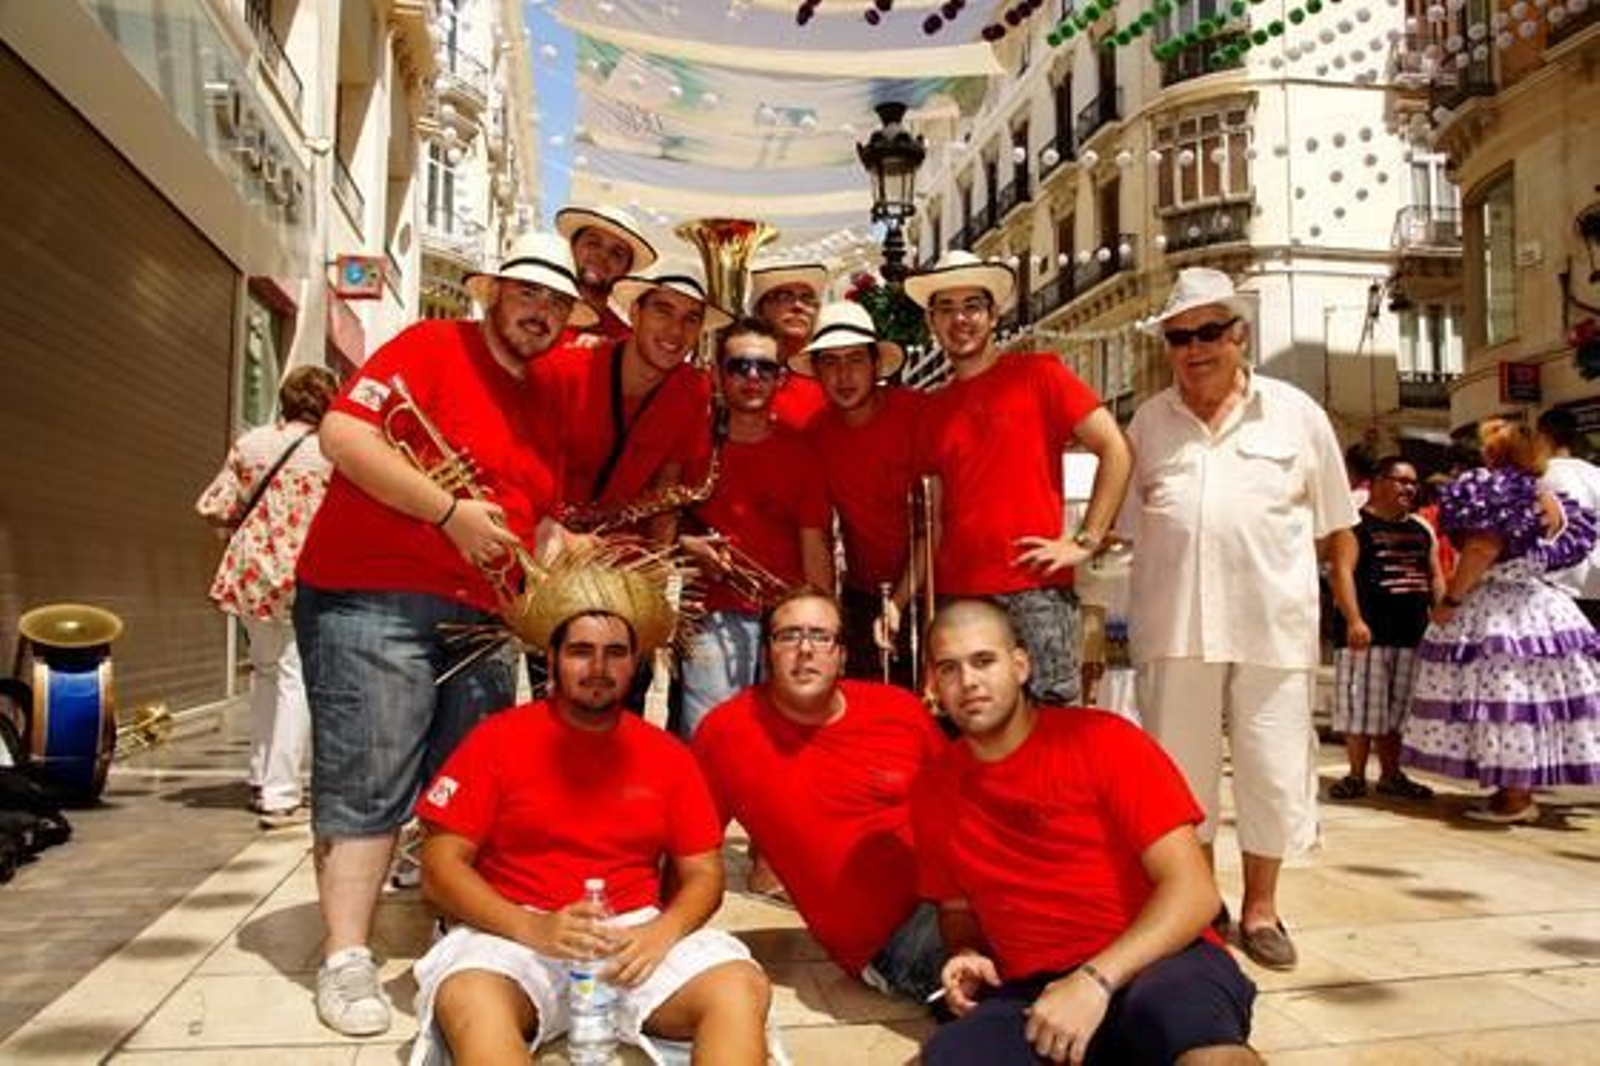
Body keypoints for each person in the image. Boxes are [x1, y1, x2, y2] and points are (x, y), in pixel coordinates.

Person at [293, 231, 588, 1036]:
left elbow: (531, 514)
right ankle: (345, 955)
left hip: (482, 614)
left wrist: (566, 546)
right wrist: (447, 511)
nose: (542, 311)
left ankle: (457, 932)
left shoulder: (547, 397)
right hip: (373, 595)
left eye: (557, 301)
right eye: (528, 293)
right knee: (370, 772)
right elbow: (344, 436)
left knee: (464, 786)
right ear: (491, 292)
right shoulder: (430, 343)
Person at [408, 545, 773, 1065]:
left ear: (635, 663)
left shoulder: (669, 755)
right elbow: (439, 869)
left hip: (633, 933)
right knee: (469, 999)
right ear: (552, 658)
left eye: (615, 653)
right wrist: (533, 928)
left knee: (739, 987)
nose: (598, 667)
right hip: (515, 931)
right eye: (581, 651)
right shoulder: (496, 740)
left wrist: (661, 933)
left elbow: (704, 875)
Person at [1121, 267, 1357, 971]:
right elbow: (1121, 528)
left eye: (1209, 332)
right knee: (1178, 777)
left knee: (1273, 768)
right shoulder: (1147, 424)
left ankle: (1261, 908)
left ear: (1239, 334)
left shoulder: (1298, 414)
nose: (1195, 348)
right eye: (1179, 337)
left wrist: (1335, 602)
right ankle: (1198, 903)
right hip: (1175, 625)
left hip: (1271, 624)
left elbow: (1336, 523)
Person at [913, 600, 1258, 1066]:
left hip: (1159, 961)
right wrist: (967, 951)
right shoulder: (934, 788)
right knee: (944, 1058)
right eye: (949, 668)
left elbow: (1195, 893)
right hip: (1036, 993)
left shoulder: (1103, 740)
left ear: (1020, 666)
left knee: (1206, 1052)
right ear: (934, 684)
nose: (968, 681)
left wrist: (1094, 981)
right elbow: (955, 909)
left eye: (983, 661)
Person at [692, 588, 947, 1001]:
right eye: (789, 635)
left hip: (960, 895)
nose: (805, 649)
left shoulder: (898, 708)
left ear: (842, 655)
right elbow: (687, 849)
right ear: (767, 653)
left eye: (820, 636)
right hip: (893, 938)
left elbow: (963, 802)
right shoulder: (728, 733)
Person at [907, 250, 1133, 705]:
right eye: (946, 308)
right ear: (932, 321)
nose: (960, 319)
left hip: (1037, 592)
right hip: (958, 595)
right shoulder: (930, 410)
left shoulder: (1041, 375)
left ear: (993, 316)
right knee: (972, 723)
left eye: (972, 305)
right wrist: (911, 602)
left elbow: (1116, 448)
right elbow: (935, 520)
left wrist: (1084, 540)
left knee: (1052, 725)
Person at [1402, 418, 1600, 822]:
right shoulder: (1548, 497)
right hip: (1540, 604)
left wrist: (1451, 600)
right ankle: (1516, 788)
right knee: (1532, 699)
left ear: (1496, 452)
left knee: (1503, 698)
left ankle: (1515, 798)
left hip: (1498, 608)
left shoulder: (1496, 490)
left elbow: (1482, 548)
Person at [196, 365, 340, 828]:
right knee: (296, 675)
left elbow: (216, 505)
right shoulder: (332, 451)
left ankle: (260, 775)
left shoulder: (252, 443)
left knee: (264, 669)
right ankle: (281, 793)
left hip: (254, 568)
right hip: (305, 569)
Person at [677, 318, 833, 737]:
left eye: (765, 368)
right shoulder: (691, 443)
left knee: (786, 739)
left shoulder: (801, 452)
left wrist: (824, 626)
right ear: (717, 373)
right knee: (709, 737)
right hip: (711, 616)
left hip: (784, 618)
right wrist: (686, 544)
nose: (752, 377)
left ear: (781, 378)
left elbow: (815, 547)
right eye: (739, 366)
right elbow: (660, 523)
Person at [536, 267, 728, 540]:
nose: (676, 330)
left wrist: (660, 561)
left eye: (691, 319)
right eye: (663, 310)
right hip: (542, 536)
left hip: (617, 549)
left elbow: (666, 489)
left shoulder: (693, 389)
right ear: (635, 314)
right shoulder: (566, 371)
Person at [791, 302, 924, 684]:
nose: (844, 375)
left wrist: (898, 602)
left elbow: (935, 523)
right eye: (830, 362)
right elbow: (815, 532)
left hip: (933, 587)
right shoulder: (816, 435)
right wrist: (826, 614)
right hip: (864, 594)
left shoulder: (916, 414)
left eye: (855, 360)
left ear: (876, 365)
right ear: (817, 371)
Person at [1326, 456, 1442, 802]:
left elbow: (1434, 574)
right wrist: (1354, 620)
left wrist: (1442, 617)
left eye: (1413, 483)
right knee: (1360, 708)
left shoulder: (1421, 528)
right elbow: (1341, 573)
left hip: (1411, 633)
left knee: (1398, 711)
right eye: (1401, 481)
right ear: (1377, 483)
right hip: (1367, 635)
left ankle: (1392, 776)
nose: (1409, 488)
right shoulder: (1354, 526)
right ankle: (1355, 776)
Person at [554, 204, 658, 345]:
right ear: (572, 248)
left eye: (617, 253)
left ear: (625, 271)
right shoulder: (535, 312)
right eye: (593, 243)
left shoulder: (624, 341)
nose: (601, 256)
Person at [1536, 407, 1600, 627]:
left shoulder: (1540, 476)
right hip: (1595, 582)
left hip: (1557, 588)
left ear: (1543, 437)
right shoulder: (1596, 474)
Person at [749, 262, 830, 431]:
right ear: (761, 309)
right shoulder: (740, 371)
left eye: (807, 298)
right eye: (785, 296)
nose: (798, 306)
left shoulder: (832, 374)